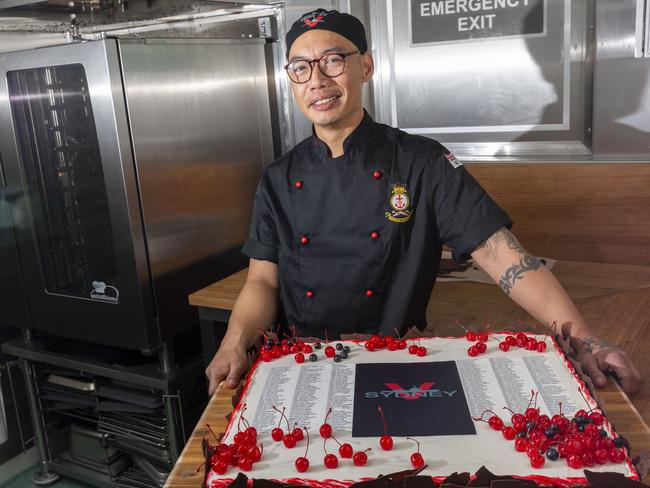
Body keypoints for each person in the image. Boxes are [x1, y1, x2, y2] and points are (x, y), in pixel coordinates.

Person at [205, 8, 641, 397]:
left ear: (366, 66)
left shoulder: (421, 161)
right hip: (302, 363)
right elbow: (262, 281)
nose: (317, 80)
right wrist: (232, 344)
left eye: (333, 61)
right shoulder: (278, 178)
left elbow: (496, 250)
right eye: (301, 68)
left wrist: (586, 341)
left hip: (394, 363)